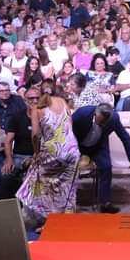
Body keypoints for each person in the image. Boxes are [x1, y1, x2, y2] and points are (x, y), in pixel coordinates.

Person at [16, 90, 80, 229]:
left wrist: (36, 152)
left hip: (53, 151)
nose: (32, 101)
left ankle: (48, 220)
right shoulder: (62, 102)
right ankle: (65, 219)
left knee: (40, 182)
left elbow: (35, 135)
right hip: (72, 150)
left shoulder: (36, 109)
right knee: (66, 186)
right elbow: (70, 125)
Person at [71, 103, 130, 213]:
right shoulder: (82, 114)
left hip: (98, 147)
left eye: (104, 123)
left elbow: (125, 137)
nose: (101, 124)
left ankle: (105, 203)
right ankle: (69, 201)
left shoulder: (114, 118)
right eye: (100, 121)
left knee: (106, 167)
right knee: (69, 168)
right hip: (77, 145)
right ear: (96, 113)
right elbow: (67, 130)